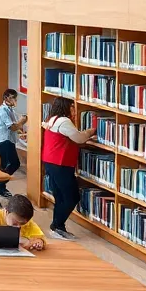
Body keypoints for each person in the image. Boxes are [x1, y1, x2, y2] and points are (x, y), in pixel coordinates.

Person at [41, 97, 96, 240]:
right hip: (61, 164)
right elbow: (79, 138)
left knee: (60, 196)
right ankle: (57, 225)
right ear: (65, 108)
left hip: (50, 161)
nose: (75, 111)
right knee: (72, 197)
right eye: (72, 107)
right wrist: (91, 131)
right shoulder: (64, 122)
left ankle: (58, 227)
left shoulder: (52, 119)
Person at [0, 89, 24, 197]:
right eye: (13, 98)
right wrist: (22, 121)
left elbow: (16, 126)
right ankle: (0, 184)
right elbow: (12, 126)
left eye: (16, 98)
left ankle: (1, 187)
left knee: (4, 165)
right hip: (3, 140)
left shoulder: (10, 110)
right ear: (6, 98)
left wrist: (20, 128)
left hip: (9, 140)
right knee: (14, 163)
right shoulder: (3, 110)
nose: (15, 100)